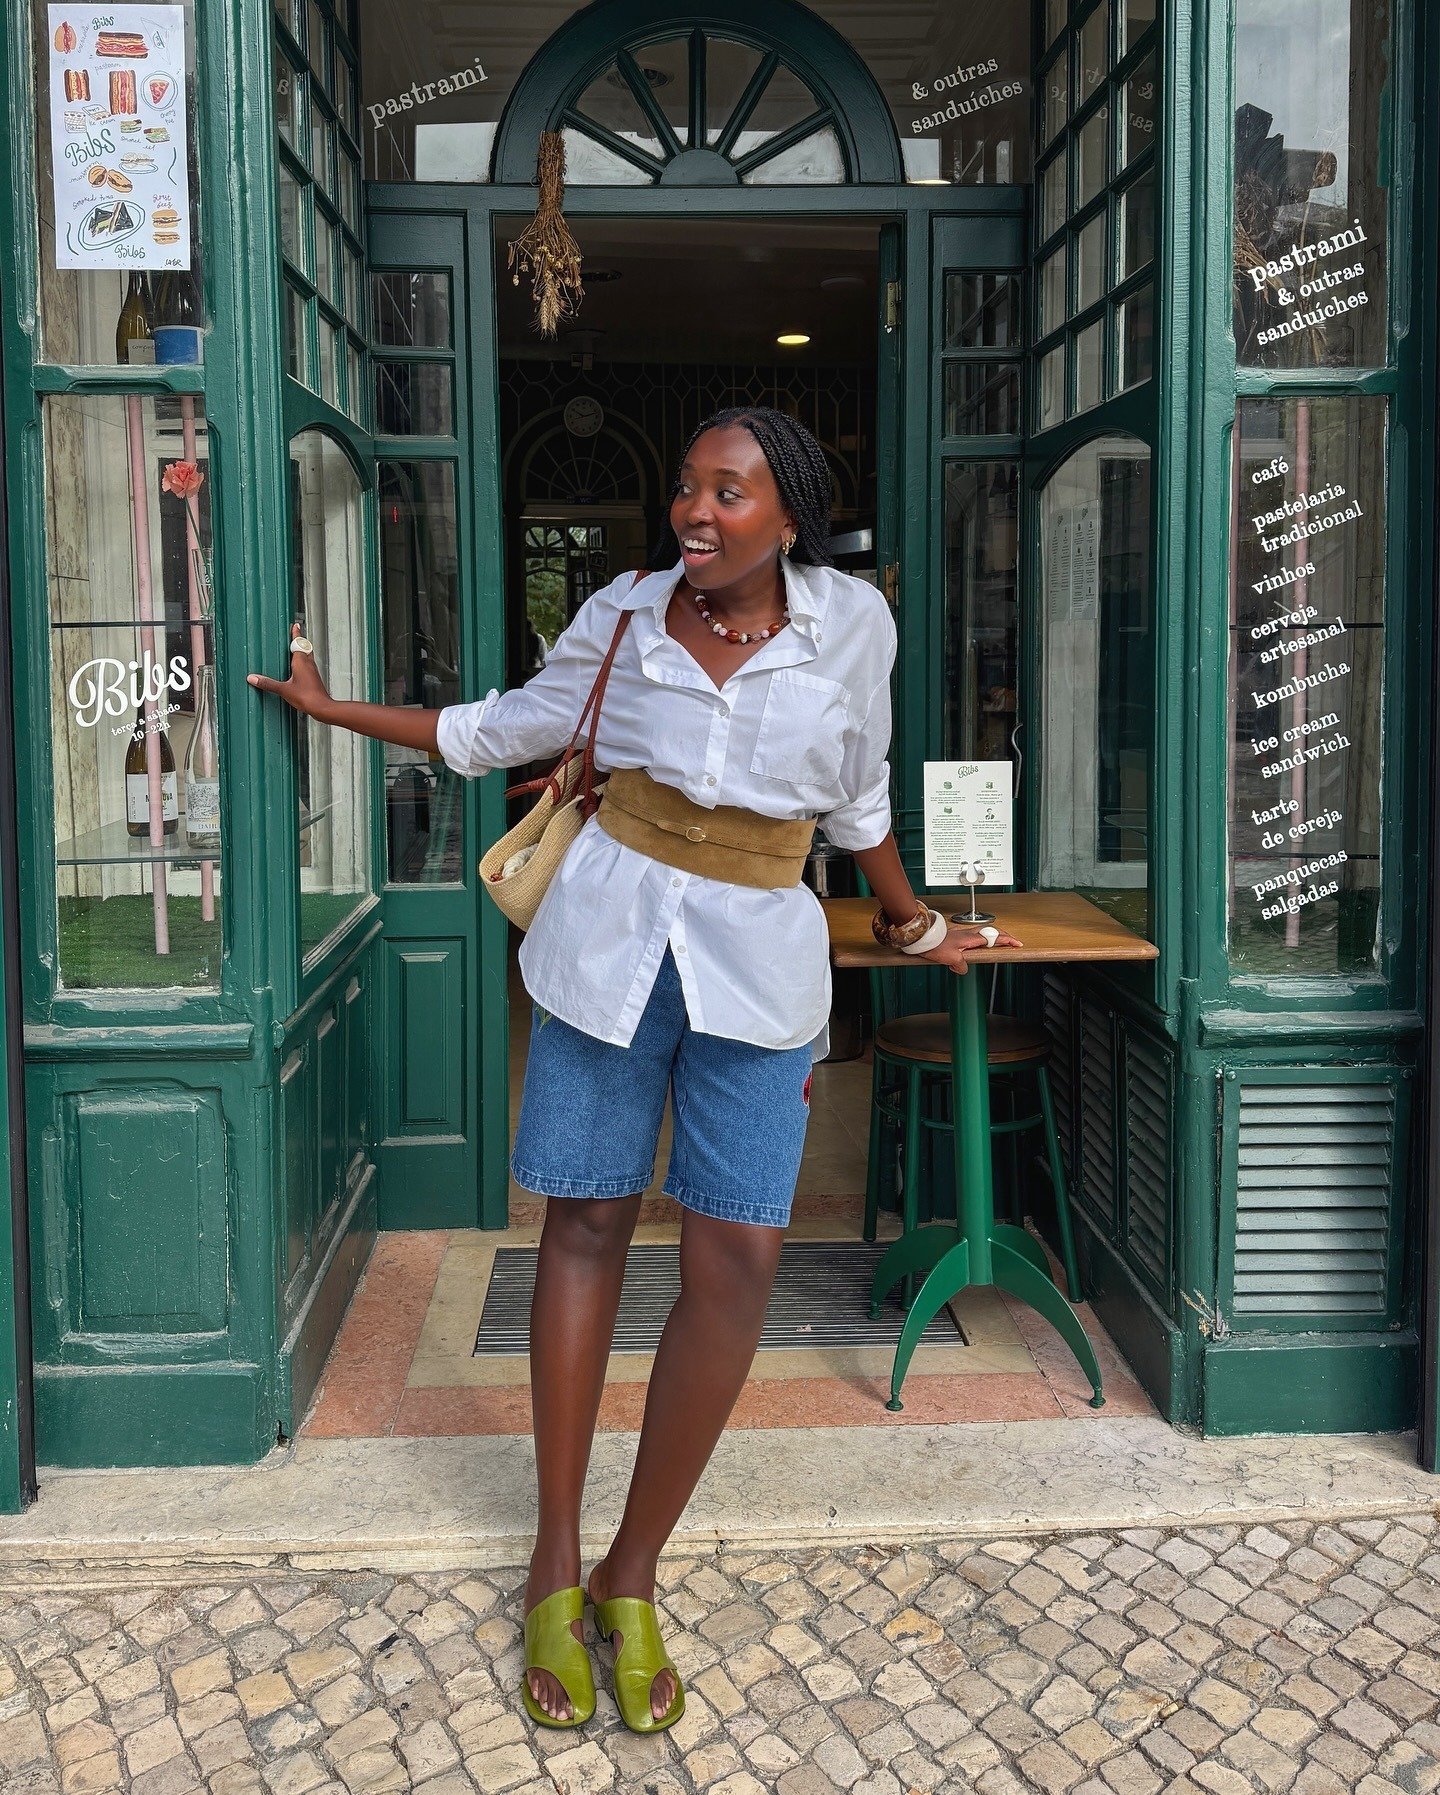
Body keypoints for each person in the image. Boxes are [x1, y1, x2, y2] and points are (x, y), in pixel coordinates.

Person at [250, 406, 1018, 1734]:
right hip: (607, 949)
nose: (695, 512)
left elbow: (862, 804)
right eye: (686, 485)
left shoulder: (854, 627)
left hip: (762, 972)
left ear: (792, 516)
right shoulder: (621, 612)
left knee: (738, 1264)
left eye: (730, 492)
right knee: (587, 1222)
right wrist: (332, 712)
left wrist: (916, 924)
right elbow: (496, 729)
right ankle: (555, 1553)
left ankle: (633, 1567)